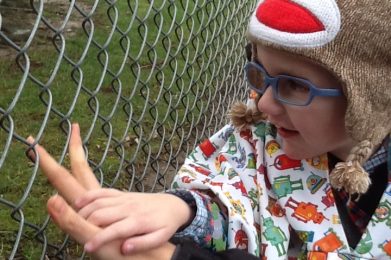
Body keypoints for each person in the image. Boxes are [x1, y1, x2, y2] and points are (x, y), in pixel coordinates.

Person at [30, 0, 390, 259]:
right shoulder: (264, 140)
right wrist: (181, 210)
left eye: (294, 85)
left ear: (368, 96)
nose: (263, 104)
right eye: (260, 74)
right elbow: (236, 198)